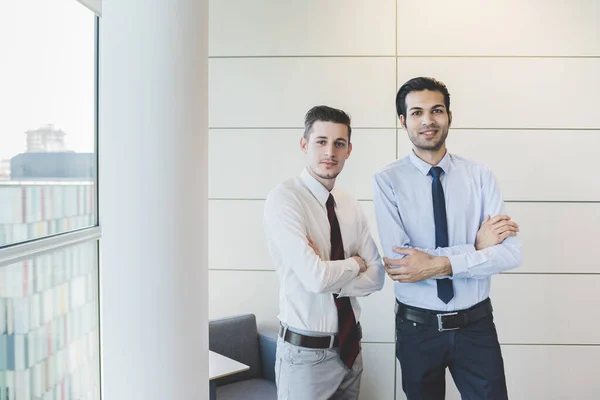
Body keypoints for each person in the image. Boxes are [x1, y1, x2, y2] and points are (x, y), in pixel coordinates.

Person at [372, 77, 522, 399]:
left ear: (449, 117)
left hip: (476, 327)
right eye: (416, 112)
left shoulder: (480, 176)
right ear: (403, 121)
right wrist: (476, 249)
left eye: (436, 110)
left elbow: (511, 254)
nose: (427, 120)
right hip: (417, 331)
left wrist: (437, 263)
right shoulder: (387, 181)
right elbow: (403, 264)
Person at [264, 105, 385, 400]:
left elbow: (378, 274)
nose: (330, 151)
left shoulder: (349, 203)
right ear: (305, 144)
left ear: (348, 150)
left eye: (339, 143)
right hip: (306, 357)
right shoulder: (285, 199)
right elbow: (315, 277)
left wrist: (333, 274)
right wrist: (356, 263)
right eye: (321, 141)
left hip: (351, 350)